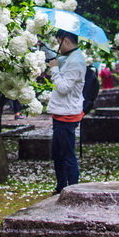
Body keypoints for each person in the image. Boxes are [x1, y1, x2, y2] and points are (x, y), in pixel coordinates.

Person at [46, 29, 86, 194]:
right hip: (61, 113)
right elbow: (61, 62)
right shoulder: (70, 57)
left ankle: (72, 190)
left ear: (66, 41)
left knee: (67, 155)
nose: (58, 46)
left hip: (67, 115)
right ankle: (61, 187)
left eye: (58, 42)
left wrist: (54, 69)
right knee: (58, 154)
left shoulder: (76, 61)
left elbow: (63, 88)